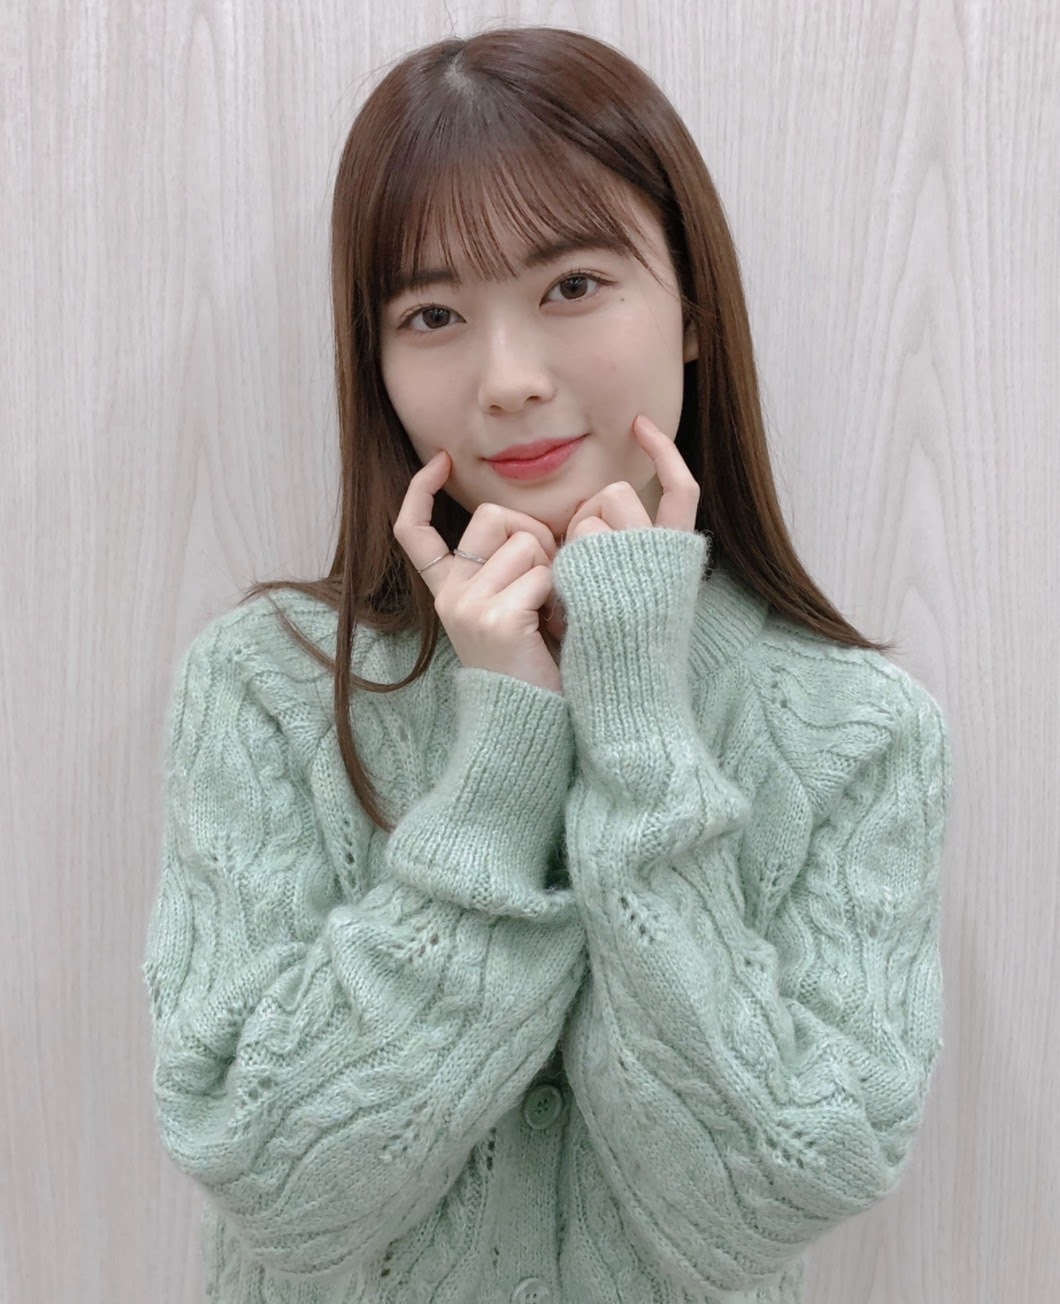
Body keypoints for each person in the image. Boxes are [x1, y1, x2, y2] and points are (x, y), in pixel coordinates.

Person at [143, 25, 953, 1304]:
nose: (508, 379)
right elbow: (273, 1177)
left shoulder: (857, 728)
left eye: (572, 285)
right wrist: (501, 763)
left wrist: (636, 726)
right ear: (377, 361)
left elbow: (764, 1194)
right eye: (432, 314)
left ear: (692, 314)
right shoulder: (267, 688)